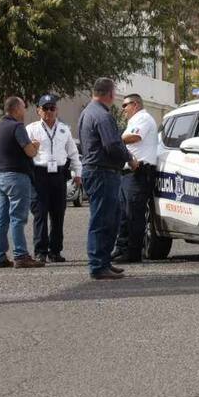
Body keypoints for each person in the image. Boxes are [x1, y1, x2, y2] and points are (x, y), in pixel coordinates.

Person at [78, 78, 136, 280]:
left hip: (97, 171)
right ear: (110, 94)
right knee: (103, 220)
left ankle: (103, 261)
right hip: (102, 172)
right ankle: (98, 265)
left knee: (108, 218)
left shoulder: (88, 112)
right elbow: (112, 144)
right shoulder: (102, 115)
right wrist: (129, 158)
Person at [0, 97, 46, 269]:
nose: (25, 109)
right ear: (16, 109)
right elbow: (29, 152)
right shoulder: (17, 127)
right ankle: (21, 255)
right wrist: (35, 146)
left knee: (1, 218)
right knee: (18, 218)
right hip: (16, 177)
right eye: (23, 107)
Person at [26, 94, 82, 263]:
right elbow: (25, 153)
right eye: (45, 108)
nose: (49, 111)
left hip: (59, 174)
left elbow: (73, 153)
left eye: (52, 108)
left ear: (57, 110)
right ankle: (40, 251)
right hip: (39, 174)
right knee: (40, 213)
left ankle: (55, 251)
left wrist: (78, 173)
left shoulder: (64, 129)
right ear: (38, 110)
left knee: (58, 214)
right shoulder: (31, 129)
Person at [113, 93, 158, 263]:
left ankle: (133, 253)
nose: (123, 109)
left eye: (125, 105)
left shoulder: (143, 118)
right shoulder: (134, 121)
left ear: (136, 104)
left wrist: (114, 139)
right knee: (124, 214)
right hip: (128, 173)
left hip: (139, 173)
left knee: (134, 214)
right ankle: (121, 248)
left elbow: (134, 137)